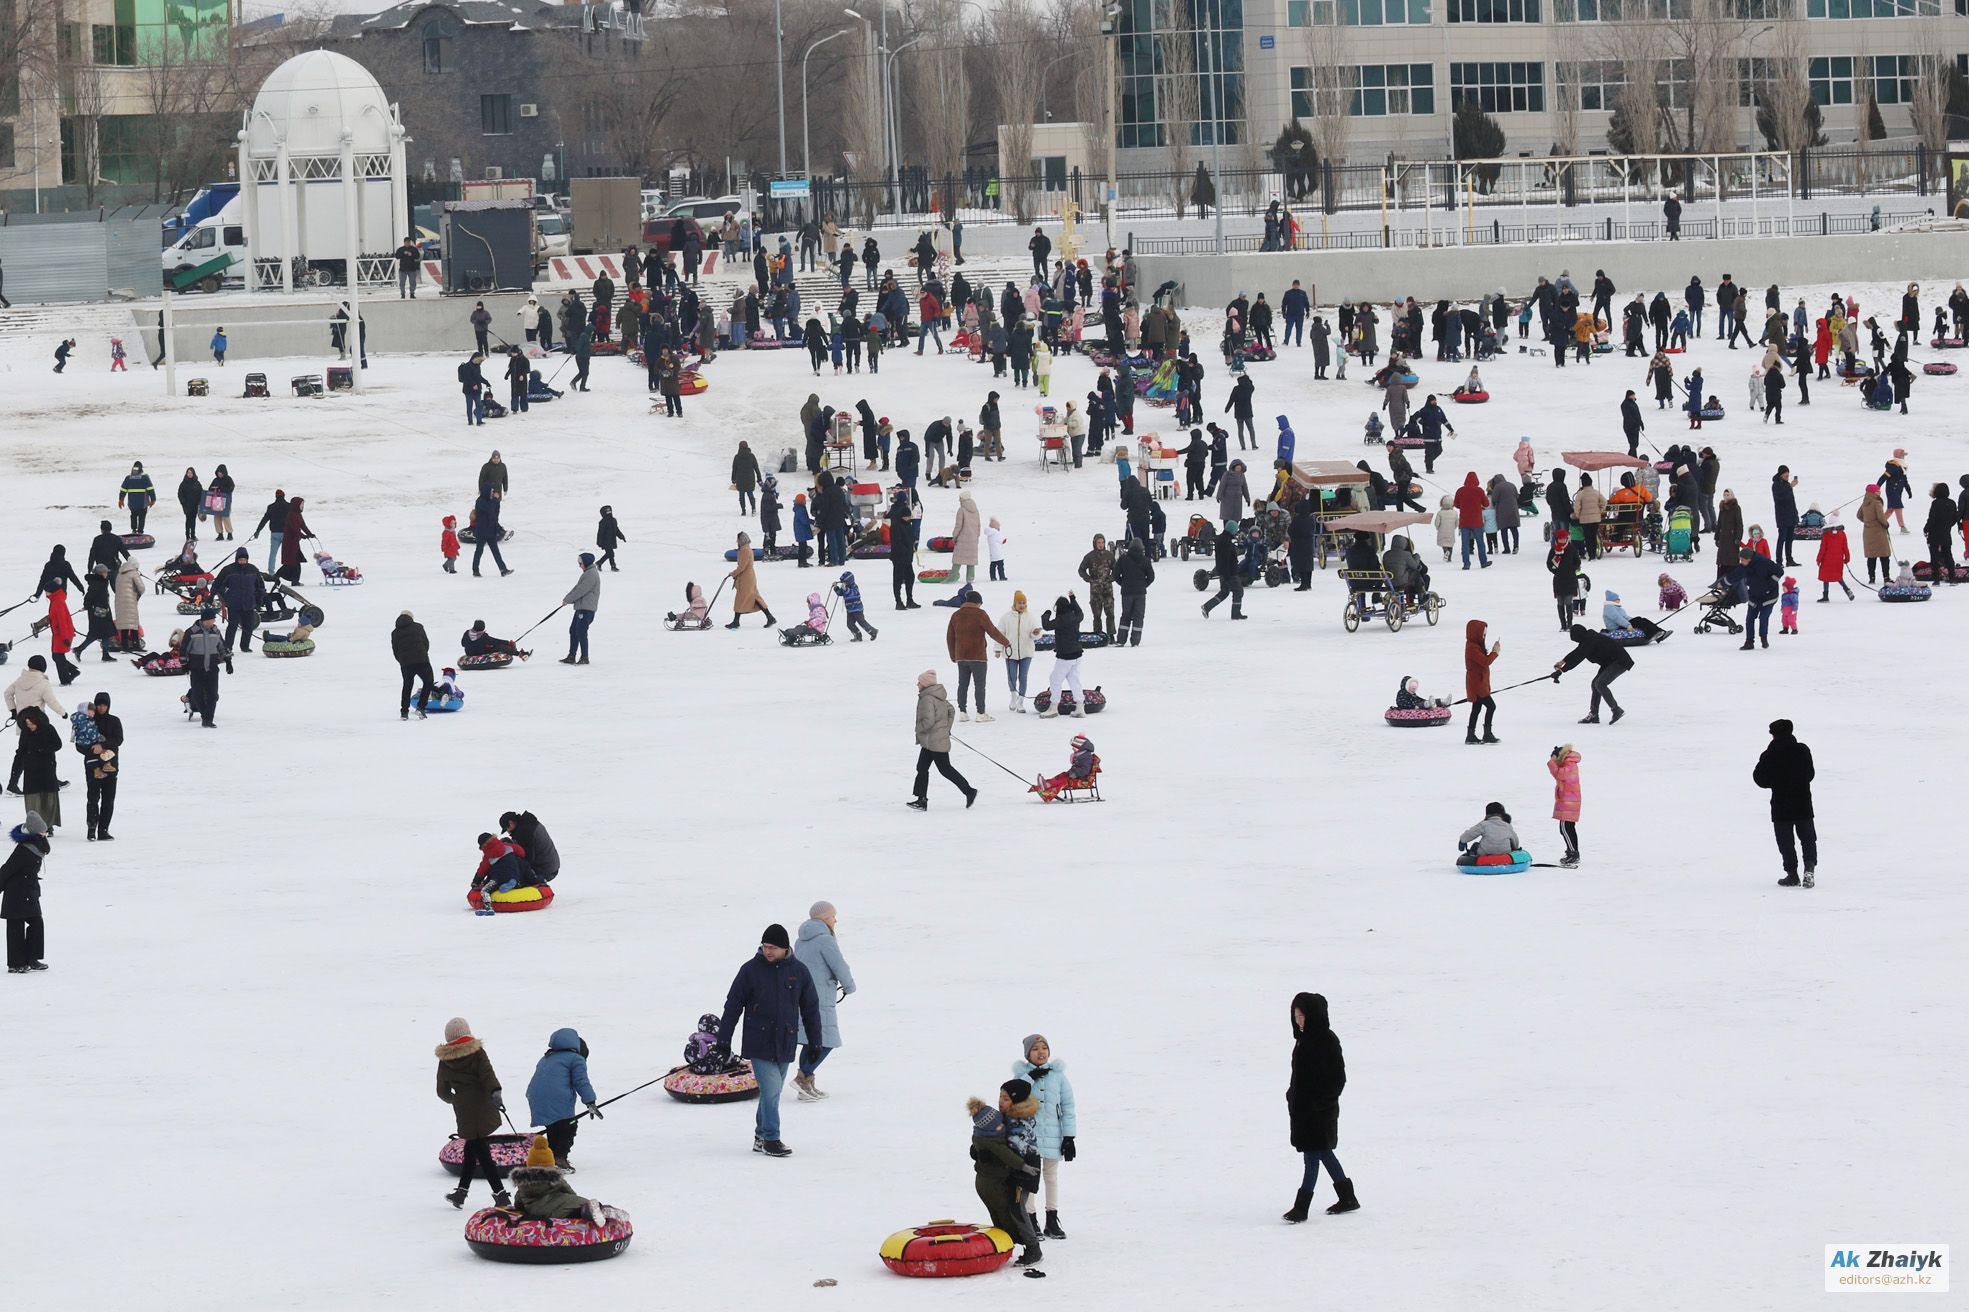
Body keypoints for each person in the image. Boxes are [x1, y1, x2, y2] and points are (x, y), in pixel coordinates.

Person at [715, 922, 824, 1156]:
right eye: (765, 946)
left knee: (770, 1092)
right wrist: (723, 1041)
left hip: (785, 1040)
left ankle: (760, 1136)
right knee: (772, 1090)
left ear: (785, 948)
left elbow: (811, 1009)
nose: (767, 951)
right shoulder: (750, 970)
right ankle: (771, 1138)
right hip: (759, 1041)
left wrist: (816, 1041)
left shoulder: (799, 971)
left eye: (773, 947)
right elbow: (732, 1006)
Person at [1284, 992, 1357, 1221]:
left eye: (1302, 1016)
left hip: (1319, 1113)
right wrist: (1292, 1095)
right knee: (1323, 1152)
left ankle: (1301, 1208)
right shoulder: (1302, 1040)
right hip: (1304, 1111)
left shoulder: (1327, 1041)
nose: (1298, 1021)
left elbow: (1338, 1079)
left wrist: (1318, 1104)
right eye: (1295, 1016)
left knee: (1312, 1156)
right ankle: (1347, 1198)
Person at [436, 1018, 510, 1208]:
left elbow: (442, 1092)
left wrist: (455, 1099)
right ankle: (498, 1195)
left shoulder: (445, 1061)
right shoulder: (477, 1052)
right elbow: (488, 1074)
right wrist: (495, 1092)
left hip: (464, 1109)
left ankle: (467, 1194)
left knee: (474, 1147)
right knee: (478, 1148)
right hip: (483, 1104)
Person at [970, 1080, 1045, 1266]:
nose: (1000, 1102)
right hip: (1012, 1170)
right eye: (1000, 1097)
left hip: (1026, 1170)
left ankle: (1033, 1248)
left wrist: (991, 1155)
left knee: (1017, 1208)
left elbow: (1013, 1151)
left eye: (1005, 1098)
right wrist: (979, 1149)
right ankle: (1007, 1243)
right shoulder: (1004, 1118)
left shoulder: (1020, 1122)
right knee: (1007, 1207)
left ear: (1016, 1101)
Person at [1011, 1035, 1076, 1239]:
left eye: (1044, 1048)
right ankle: (1031, 1220)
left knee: (1051, 1177)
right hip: (1028, 1138)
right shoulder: (1022, 1076)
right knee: (1030, 1178)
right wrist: (1032, 1076)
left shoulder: (1058, 1076)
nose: (1041, 1052)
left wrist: (1069, 1137)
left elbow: (1068, 1106)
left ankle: (1052, 1220)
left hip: (1053, 1136)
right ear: (1027, 1054)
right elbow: (1015, 1096)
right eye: (1035, 1049)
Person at [793, 901, 856, 1100]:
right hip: (820, 996)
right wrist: (849, 986)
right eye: (833, 916)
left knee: (810, 1039)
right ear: (824, 918)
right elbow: (839, 965)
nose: (835, 920)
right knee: (826, 1040)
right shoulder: (825, 940)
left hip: (803, 995)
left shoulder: (801, 940)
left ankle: (806, 1084)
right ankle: (803, 1078)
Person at [524, 1028, 599, 1170]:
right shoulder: (575, 1059)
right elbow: (581, 1081)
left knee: (554, 1126)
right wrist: (590, 1101)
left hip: (536, 1096)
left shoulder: (547, 1057)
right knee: (568, 1126)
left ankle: (551, 1158)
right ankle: (559, 1158)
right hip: (557, 1097)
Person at [1754, 719, 1817, 888]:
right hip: (1803, 802)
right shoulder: (1802, 750)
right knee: (1808, 838)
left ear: (1773, 734)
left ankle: (1792, 874)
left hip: (1781, 805)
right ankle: (1809, 869)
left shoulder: (1769, 754)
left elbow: (1759, 778)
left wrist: (1775, 782)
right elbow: (1810, 774)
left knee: (1785, 842)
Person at [910, 668, 975, 808]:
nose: (917, 684)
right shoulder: (937, 695)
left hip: (935, 741)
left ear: (925, 684)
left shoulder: (927, 698)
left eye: (919, 682)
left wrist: (919, 728)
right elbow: (951, 710)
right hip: (931, 741)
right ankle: (921, 799)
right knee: (922, 767)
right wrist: (946, 728)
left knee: (945, 769)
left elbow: (928, 721)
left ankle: (969, 791)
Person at [946, 592, 1011, 723]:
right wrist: (1006, 642)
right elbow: (992, 631)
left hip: (961, 657)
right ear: (978, 602)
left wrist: (953, 656)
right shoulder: (980, 614)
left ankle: (963, 712)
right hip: (978, 656)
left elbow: (950, 637)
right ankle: (980, 713)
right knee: (979, 686)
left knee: (962, 684)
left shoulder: (956, 615)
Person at [0, 811, 52, 973]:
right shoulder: (23, 850)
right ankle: (15, 963)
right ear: (34, 832)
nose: (45, 834)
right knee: (15, 927)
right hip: (15, 893)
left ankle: (32, 958)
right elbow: (7, 870)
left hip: (29, 890)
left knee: (36, 922)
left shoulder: (37, 844)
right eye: (42, 832)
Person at [1552, 624, 1632, 724]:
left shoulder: (1590, 640)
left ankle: (1616, 710)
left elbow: (1579, 656)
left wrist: (1562, 670)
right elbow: (1578, 652)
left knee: (1600, 684)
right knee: (1595, 684)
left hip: (1620, 661)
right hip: (1609, 662)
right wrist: (1563, 661)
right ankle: (1594, 714)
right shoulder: (1587, 638)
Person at [1729, 546, 1784, 649]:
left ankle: (1763, 638)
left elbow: (1780, 571)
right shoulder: (1744, 566)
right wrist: (1724, 582)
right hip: (1754, 596)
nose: (1741, 562)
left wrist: (1769, 586)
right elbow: (1735, 575)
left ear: (1749, 559)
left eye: (1742, 560)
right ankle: (1749, 642)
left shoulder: (1764, 562)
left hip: (1768, 597)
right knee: (1749, 619)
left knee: (1763, 618)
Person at [181, 609, 228, 728]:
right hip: (196, 668)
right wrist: (184, 664)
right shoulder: (191, 632)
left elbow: (222, 647)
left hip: (212, 668)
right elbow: (184, 650)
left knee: (213, 695)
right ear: (205, 620)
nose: (214, 621)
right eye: (212, 619)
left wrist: (228, 661)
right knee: (197, 695)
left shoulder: (216, 631)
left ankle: (208, 719)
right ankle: (205, 716)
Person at [996, 592, 1042, 712]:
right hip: (1010, 653)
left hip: (1026, 652)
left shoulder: (1030, 617)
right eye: (1019, 603)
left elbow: (1036, 634)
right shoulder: (1006, 617)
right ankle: (1013, 697)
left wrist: (1035, 633)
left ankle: (1021, 701)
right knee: (1012, 677)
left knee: (1023, 677)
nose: (1022, 605)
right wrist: (998, 649)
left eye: (1024, 603)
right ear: (1014, 604)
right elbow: (1000, 634)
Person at [391, 610, 434, 720]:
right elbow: (426, 643)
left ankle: (404, 712)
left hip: (406, 663)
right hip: (421, 660)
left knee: (407, 685)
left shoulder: (395, 632)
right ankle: (421, 707)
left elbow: (395, 650)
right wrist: (423, 653)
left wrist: (402, 660)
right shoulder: (418, 627)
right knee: (428, 681)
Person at [1464, 619, 1500, 745]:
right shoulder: (1472, 648)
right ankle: (1487, 734)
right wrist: (1495, 652)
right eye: (1483, 633)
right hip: (1477, 684)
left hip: (1478, 682)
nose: (1484, 636)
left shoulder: (1475, 645)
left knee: (1476, 708)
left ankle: (1471, 735)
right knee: (1491, 706)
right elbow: (1485, 662)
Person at [560, 554, 601, 665]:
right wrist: (567, 598)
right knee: (573, 630)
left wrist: (568, 600)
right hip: (581, 608)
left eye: (580, 563)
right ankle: (571, 656)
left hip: (586, 609)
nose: (579, 566)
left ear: (586, 563)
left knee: (581, 632)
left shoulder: (591, 574)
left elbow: (581, 590)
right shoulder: (587, 573)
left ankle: (584, 657)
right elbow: (577, 588)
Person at [1114, 539, 1155, 647]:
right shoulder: (1145, 560)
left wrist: (1123, 584)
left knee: (1125, 616)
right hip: (1140, 593)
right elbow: (1151, 577)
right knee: (1138, 617)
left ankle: (1121, 640)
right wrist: (1143, 585)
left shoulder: (1123, 559)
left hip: (1126, 593)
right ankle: (1135, 641)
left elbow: (1115, 575)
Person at [1549, 744, 1583, 868]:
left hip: (1569, 802)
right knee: (1568, 828)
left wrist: (1552, 763)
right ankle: (1572, 852)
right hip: (1570, 801)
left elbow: (1559, 775)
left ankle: (1573, 853)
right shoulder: (1570, 763)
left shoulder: (1569, 764)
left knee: (1565, 829)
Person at [1924, 482, 1960, 585]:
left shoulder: (1935, 503)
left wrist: (1926, 529)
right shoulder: (1952, 503)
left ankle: (1936, 579)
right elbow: (1955, 517)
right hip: (1946, 532)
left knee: (1934, 556)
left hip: (1934, 533)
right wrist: (1948, 525)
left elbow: (1932, 518)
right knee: (1948, 555)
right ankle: (1952, 577)